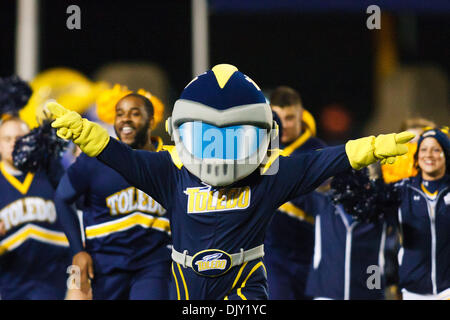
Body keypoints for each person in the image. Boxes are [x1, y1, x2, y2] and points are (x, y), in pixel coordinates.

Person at [47, 63, 414, 300]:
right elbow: (121, 157)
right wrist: (88, 135)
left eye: (235, 138)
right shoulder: (170, 169)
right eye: (208, 138)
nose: (220, 153)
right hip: (185, 284)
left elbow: (324, 160)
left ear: (263, 136)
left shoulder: (270, 172)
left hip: (243, 287)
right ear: (180, 133)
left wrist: (375, 146)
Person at [54, 91, 172, 300]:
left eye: (135, 113)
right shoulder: (94, 160)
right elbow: (62, 198)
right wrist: (77, 251)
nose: (126, 118)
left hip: (154, 264)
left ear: (151, 120)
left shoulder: (168, 160)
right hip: (104, 265)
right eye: (120, 113)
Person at [264, 86, 326, 299]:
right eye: (277, 117)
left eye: (289, 118)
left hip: (308, 253)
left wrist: (285, 187)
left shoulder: (317, 151)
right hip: (272, 256)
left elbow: (320, 204)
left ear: (301, 115)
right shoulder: (262, 149)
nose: (284, 125)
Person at [301, 166, 398, 300]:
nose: (367, 181)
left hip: (370, 292)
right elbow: (290, 188)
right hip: (326, 291)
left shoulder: (382, 209)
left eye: (372, 177)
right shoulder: (323, 203)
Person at [0, 117, 70, 299]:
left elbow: (78, 210)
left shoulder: (51, 169)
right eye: (7, 139)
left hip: (57, 276)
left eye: (20, 137)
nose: (14, 144)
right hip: (11, 281)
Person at [394, 127, 450, 300]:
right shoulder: (402, 190)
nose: (429, 155)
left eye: (436, 149)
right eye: (424, 149)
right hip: (413, 290)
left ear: (446, 155)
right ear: (417, 155)